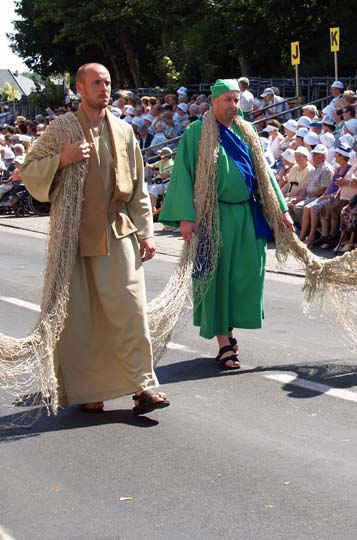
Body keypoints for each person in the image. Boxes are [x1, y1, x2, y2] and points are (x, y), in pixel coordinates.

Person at [21, 62, 169, 414]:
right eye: (96, 83)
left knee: (131, 312)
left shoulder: (124, 130)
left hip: (119, 231)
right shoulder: (60, 130)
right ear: (80, 88)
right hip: (73, 236)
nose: (104, 89)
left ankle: (143, 386)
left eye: (107, 83)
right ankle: (89, 390)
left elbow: (138, 189)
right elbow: (28, 171)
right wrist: (62, 159)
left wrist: (146, 232)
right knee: (81, 319)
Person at [159, 79, 294, 370]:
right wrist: (186, 217)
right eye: (227, 100)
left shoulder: (247, 131)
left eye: (236, 100)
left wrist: (281, 209)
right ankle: (224, 342)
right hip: (213, 217)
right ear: (214, 102)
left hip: (246, 215)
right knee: (216, 279)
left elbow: (264, 174)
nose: (233, 106)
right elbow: (182, 174)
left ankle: (231, 329)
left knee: (245, 277)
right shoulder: (197, 132)